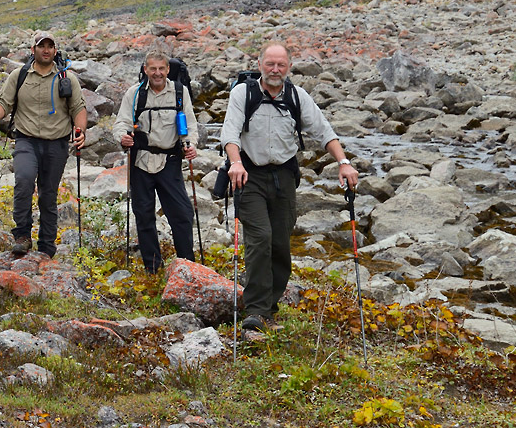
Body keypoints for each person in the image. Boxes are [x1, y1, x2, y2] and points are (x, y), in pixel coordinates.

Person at [220, 41, 359, 331]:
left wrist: (344, 162)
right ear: (259, 65)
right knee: (260, 238)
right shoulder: (242, 94)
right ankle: (256, 311)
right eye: (269, 64)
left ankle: (269, 309)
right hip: (249, 174)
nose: (275, 69)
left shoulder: (297, 97)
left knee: (281, 243)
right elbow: (230, 133)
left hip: (284, 176)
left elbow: (324, 132)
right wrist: (235, 162)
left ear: (289, 67)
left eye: (280, 64)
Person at [0, 31, 87, 258]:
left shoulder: (66, 78)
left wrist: (81, 130)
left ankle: (47, 246)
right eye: (41, 46)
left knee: (48, 195)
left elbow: (78, 108)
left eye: (50, 46)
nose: (46, 50)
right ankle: (22, 235)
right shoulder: (19, 76)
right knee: (24, 180)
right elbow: (4, 103)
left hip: (57, 144)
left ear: (55, 50)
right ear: (33, 50)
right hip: (26, 141)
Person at [112, 50, 199, 274]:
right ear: (145, 70)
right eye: (153, 69)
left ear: (168, 69)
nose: (157, 73)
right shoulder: (135, 93)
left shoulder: (180, 93)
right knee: (144, 214)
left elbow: (189, 124)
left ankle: (186, 265)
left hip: (170, 160)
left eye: (161, 69)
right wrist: (122, 136)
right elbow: (121, 122)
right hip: (140, 160)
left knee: (181, 214)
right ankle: (153, 268)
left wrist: (190, 144)